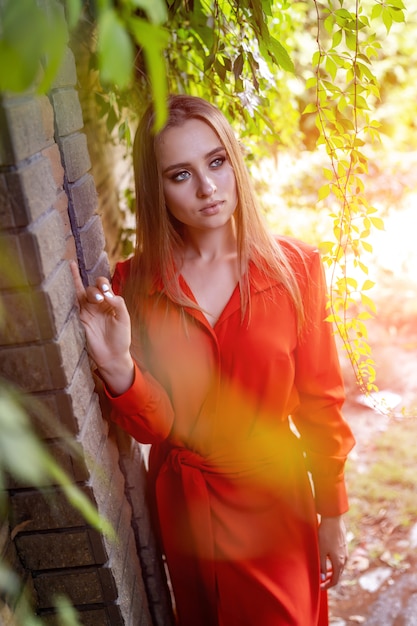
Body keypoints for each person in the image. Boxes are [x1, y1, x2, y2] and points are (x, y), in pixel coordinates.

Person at [71, 94, 355, 626]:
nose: (207, 188)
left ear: (234, 163)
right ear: (157, 189)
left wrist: (333, 513)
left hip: (276, 503)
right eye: (181, 174)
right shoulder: (137, 285)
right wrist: (117, 367)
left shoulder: (297, 270)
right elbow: (159, 427)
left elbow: (322, 405)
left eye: (216, 162)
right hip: (187, 509)